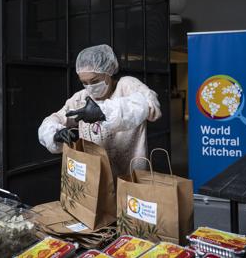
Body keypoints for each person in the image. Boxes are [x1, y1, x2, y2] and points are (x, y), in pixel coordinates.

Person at [38, 44, 162, 177]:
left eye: (95, 81)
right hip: (95, 178)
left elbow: (151, 105)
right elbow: (54, 119)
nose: (90, 87)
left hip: (130, 177)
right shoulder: (81, 97)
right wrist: (54, 133)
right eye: (84, 82)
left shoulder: (126, 86)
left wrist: (103, 112)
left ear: (108, 72)